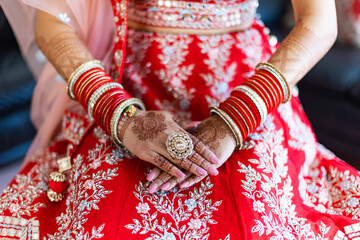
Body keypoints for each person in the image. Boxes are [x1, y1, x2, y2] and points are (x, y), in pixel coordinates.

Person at [0, 0, 359, 239]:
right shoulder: (122, 110)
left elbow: (319, 22)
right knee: (97, 214)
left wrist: (238, 116)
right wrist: (121, 116)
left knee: (265, 216)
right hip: (129, 86)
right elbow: (51, 22)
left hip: (248, 88)